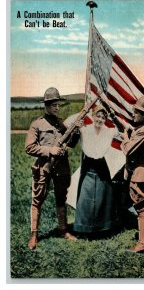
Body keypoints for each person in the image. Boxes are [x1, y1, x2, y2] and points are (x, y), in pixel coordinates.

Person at [25, 87, 77, 250]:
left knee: (61, 198)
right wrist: (49, 150)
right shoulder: (37, 124)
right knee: (38, 199)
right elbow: (29, 147)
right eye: (53, 105)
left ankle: (63, 230)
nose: (57, 107)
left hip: (61, 168)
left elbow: (72, 144)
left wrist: (76, 131)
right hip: (44, 167)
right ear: (46, 105)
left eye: (58, 104)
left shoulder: (62, 124)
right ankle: (34, 234)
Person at [119, 95, 144, 253]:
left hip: (140, 173)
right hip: (142, 171)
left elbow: (129, 150)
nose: (133, 114)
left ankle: (143, 243)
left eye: (137, 111)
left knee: (141, 209)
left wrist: (125, 138)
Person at [73, 105, 118, 238]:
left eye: (103, 117)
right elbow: (74, 134)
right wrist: (77, 127)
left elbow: (120, 130)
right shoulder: (85, 130)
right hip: (88, 165)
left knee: (103, 195)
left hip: (101, 166)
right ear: (92, 116)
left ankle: (103, 228)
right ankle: (84, 228)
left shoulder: (108, 131)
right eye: (98, 116)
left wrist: (114, 117)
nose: (100, 119)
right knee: (85, 195)